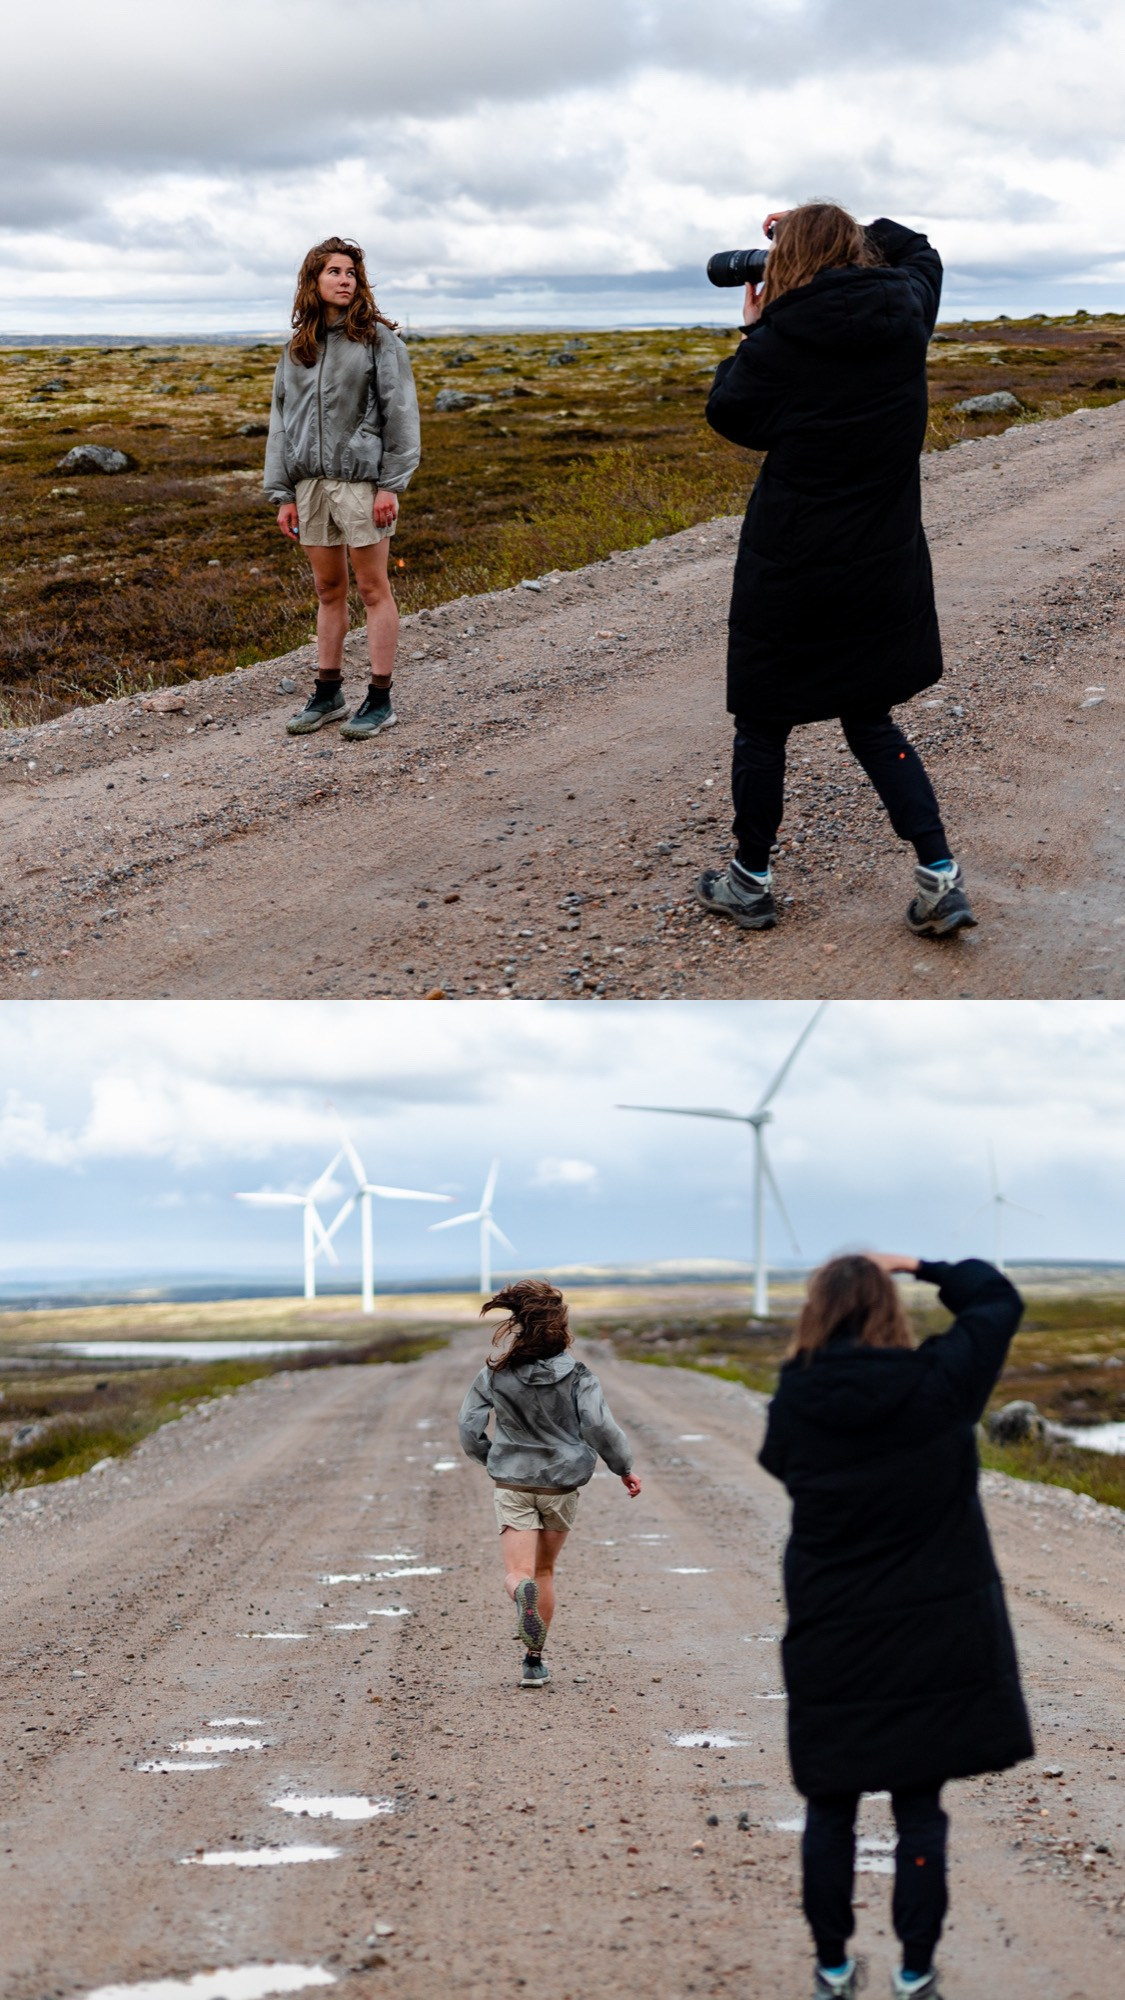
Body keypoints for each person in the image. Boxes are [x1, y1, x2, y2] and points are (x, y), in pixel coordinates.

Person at [758, 1252, 1033, 2000]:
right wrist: (921, 1264)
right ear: (888, 1305)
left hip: (832, 1631)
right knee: (917, 1807)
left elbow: (778, 1459)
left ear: (816, 1310)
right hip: (931, 1634)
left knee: (830, 1804)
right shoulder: (939, 1385)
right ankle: (915, 1975)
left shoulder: (796, 1397)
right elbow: (996, 1301)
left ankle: (832, 1970)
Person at [701, 202, 976, 940]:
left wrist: (753, 329)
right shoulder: (907, 311)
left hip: (791, 565)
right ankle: (938, 877)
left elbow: (729, 414)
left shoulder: (780, 341)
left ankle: (749, 882)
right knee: (868, 714)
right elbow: (918, 249)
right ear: (855, 249)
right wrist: (842, 226)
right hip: (880, 563)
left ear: (786, 263)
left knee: (762, 724)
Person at [264, 235, 421, 741]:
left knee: (374, 589)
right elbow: (280, 423)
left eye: (351, 272)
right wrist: (282, 493)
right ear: (313, 280)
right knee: (328, 590)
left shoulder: (377, 340)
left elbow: (400, 413)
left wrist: (390, 485)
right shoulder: (297, 348)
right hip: (309, 485)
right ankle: (328, 693)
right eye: (333, 271)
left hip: (361, 483)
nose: (344, 279)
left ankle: (379, 698)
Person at [458, 1279, 642, 1687]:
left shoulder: (495, 1374)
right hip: (560, 1486)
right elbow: (599, 1426)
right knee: (544, 1570)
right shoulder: (578, 1374)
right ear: (560, 1328)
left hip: (514, 1483)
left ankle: (519, 1595)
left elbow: (469, 1427)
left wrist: (494, 1459)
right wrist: (622, 1467)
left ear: (520, 1324)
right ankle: (534, 1660)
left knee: (518, 1573)